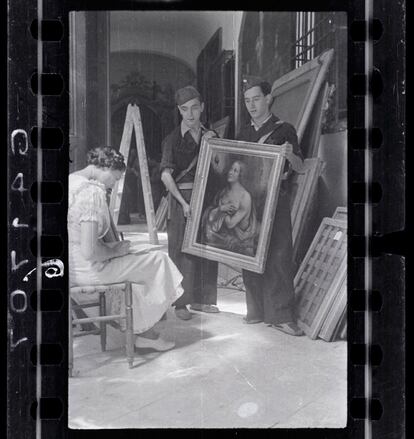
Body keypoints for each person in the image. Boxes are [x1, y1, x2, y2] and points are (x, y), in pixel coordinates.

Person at [68, 146, 184, 351]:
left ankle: (143, 330)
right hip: (91, 270)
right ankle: (145, 332)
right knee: (158, 259)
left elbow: (79, 239)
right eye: (115, 178)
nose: (114, 184)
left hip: (71, 267)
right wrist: (116, 251)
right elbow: (89, 251)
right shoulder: (91, 193)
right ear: (106, 167)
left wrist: (114, 247)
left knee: (141, 263)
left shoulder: (70, 181)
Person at [236, 75, 305, 336]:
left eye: (256, 99)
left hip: (276, 199)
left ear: (268, 99)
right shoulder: (243, 133)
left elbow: (300, 166)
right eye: (247, 101)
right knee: (249, 252)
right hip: (249, 201)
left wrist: (290, 155)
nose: (251, 105)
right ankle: (255, 311)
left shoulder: (284, 130)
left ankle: (282, 315)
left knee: (279, 255)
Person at [160, 86, 219, 320]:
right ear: (179, 111)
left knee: (207, 247)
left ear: (202, 107)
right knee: (181, 251)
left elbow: (221, 167)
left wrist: (215, 145)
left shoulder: (212, 135)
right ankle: (181, 304)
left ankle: (203, 300)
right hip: (181, 200)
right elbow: (166, 175)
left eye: (195, 107)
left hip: (207, 200)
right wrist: (183, 203)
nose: (190, 114)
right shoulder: (172, 139)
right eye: (185, 109)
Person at [202, 160, 259, 256]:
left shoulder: (245, 197)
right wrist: (221, 209)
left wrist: (220, 211)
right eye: (230, 169)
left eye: (235, 171)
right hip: (222, 239)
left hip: (241, 242)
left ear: (240, 175)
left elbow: (230, 224)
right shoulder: (223, 192)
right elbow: (211, 217)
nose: (230, 172)